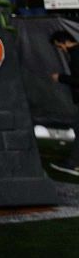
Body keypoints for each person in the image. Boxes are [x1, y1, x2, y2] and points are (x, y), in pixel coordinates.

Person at [48, 30, 79, 176]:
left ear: (65, 42)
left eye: (59, 46)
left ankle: (73, 164)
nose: (60, 50)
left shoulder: (76, 54)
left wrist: (60, 77)